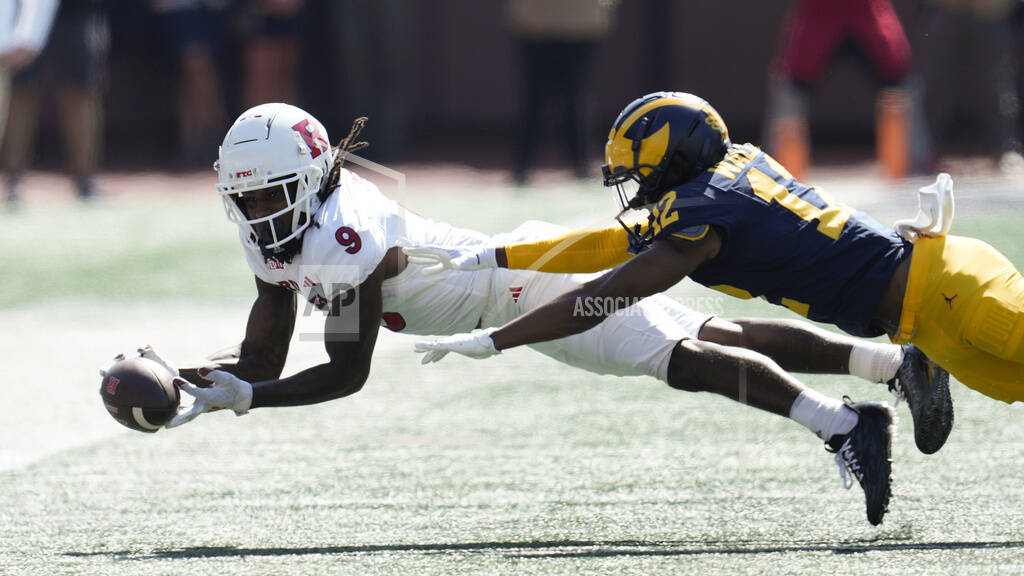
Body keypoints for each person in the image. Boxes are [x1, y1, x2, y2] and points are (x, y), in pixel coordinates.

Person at [150, 103, 925, 526]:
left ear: (313, 178)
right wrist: (191, 385)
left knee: (683, 358)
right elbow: (263, 356)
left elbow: (344, 373)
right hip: (509, 272)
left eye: (269, 194)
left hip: (520, 289)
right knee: (702, 337)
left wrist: (245, 398)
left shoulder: (347, 232)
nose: (258, 212)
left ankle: (846, 425)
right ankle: (891, 368)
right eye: (246, 198)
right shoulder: (283, 235)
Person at [412, 92, 1024, 444]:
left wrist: (499, 338)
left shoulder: (700, 218)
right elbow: (609, 245)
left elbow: (601, 297)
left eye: (641, 171)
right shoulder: (725, 175)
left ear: (675, 157)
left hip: (951, 295)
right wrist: (493, 255)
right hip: (926, 313)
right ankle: (913, 368)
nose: (636, 187)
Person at [764, 0, 927, 179]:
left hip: (866, 9)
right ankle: (774, 171)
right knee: (791, 79)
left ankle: (916, 161)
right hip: (819, 11)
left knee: (899, 76)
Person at [2, 0, 108, 203]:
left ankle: (85, 180)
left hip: (76, 13)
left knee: (81, 90)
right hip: (24, 9)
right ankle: (12, 182)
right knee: (22, 90)